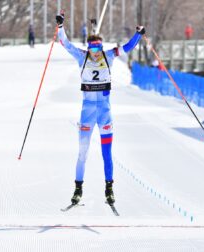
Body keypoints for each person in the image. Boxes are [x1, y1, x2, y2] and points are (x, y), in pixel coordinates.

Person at [56, 12, 145, 206]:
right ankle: (78, 189)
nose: (95, 52)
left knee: (107, 152)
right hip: (87, 112)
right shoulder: (82, 57)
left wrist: (139, 34)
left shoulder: (109, 55)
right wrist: (60, 26)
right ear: (88, 47)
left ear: (101, 47)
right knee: (83, 152)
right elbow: (65, 44)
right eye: (92, 48)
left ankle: (109, 188)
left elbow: (128, 47)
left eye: (98, 48)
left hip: (104, 113)